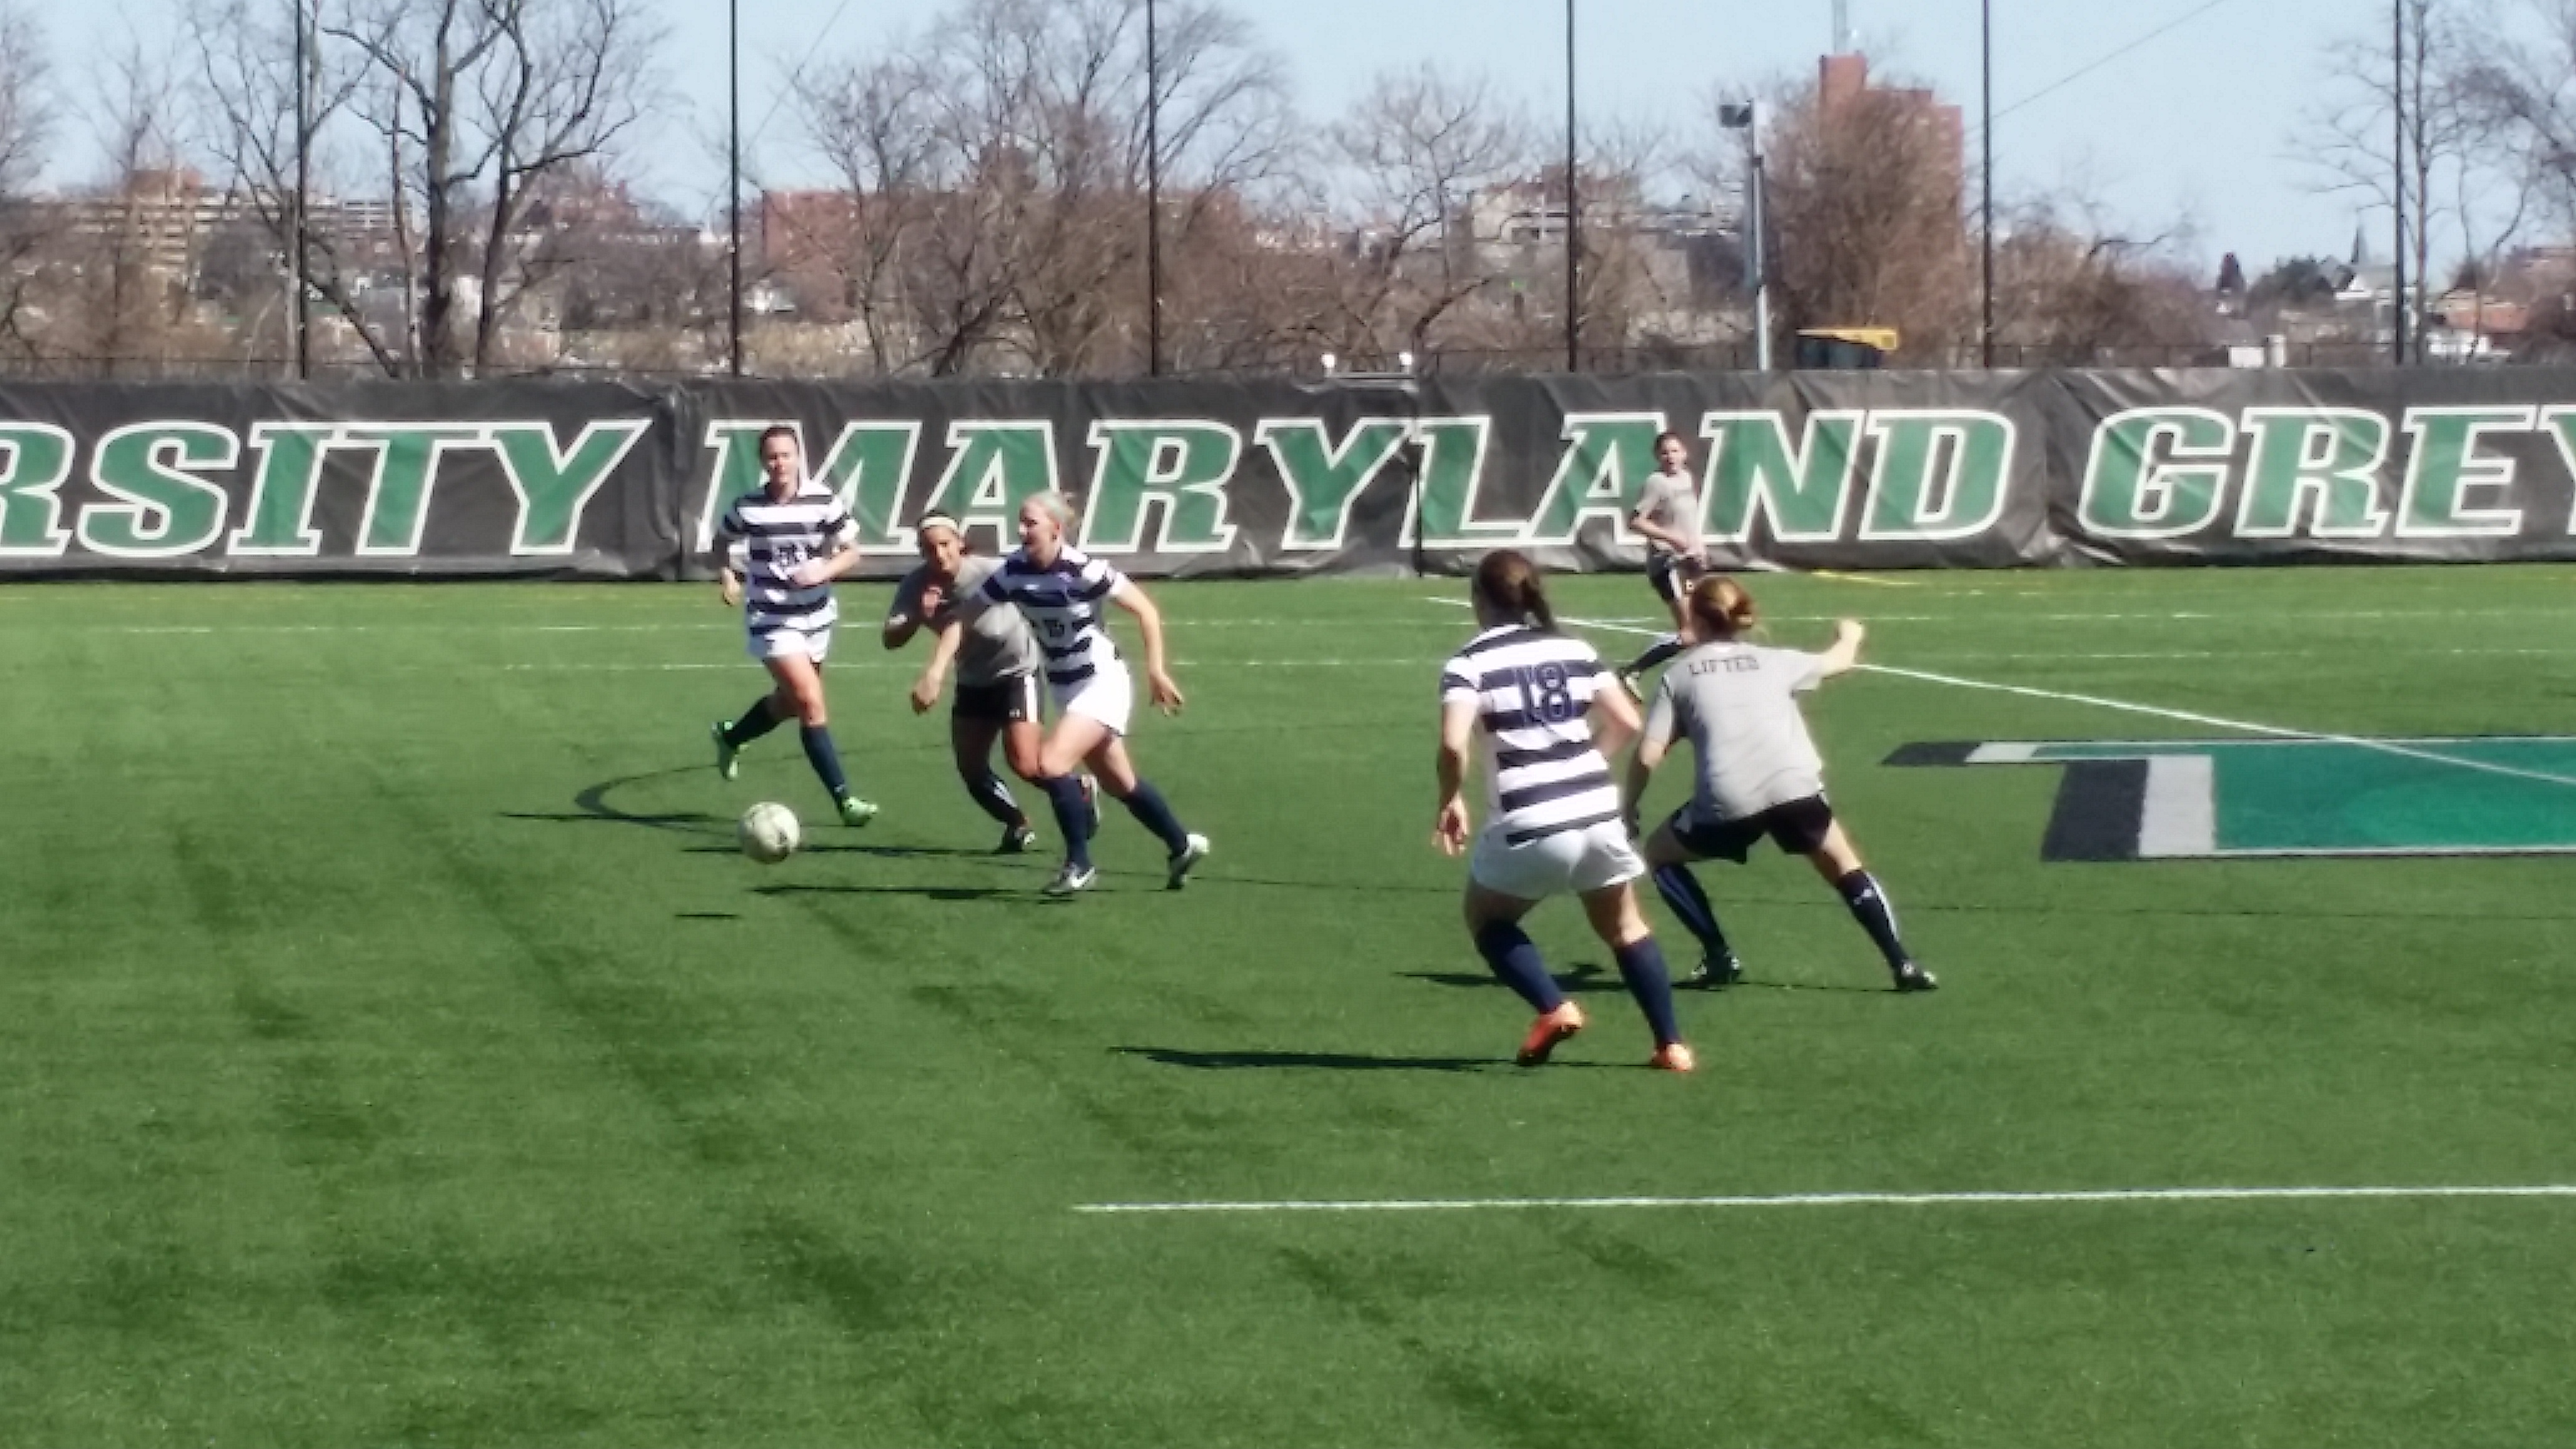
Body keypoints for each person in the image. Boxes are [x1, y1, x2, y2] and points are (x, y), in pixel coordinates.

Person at [1434, 549, 1694, 1073]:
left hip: (1530, 819)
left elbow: (1453, 745)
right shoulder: (1573, 648)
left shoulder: (1469, 663)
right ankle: (1671, 1046)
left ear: (1479, 599)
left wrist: (1449, 799)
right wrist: (1582, 764)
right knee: (1625, 926)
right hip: (1597, 810)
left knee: (1487, 919)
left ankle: (1554, 1008)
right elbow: (1626, 721)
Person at [1622, 575, 1938, 994]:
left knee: (1660, 855)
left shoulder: (1679, 676)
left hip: (1729, 799)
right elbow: (1839, 661)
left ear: (1695, 619)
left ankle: (1719, 955)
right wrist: (1850, 634)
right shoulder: (1774, 660)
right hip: (1794, 788)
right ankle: (1902, 963)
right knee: (1845, 867)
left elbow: (1648, 754)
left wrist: (1629, 807)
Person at [932, 492, 1209, 897]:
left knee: (1051, 763)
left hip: (1102, 681)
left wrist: (1156, 670)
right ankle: (1181, 846)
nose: (1022, 530)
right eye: (1021, 522)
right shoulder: (1013, 571)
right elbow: (964, 617)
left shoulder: (1084, 570)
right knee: (1121, 783)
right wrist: (936, 670)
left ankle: (1079, 864)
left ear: (1056, 529)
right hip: (1066, 686)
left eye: (1031, 523)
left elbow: (1146, 610)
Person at [706, 424, 879, 826]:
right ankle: (845, 801)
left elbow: (852, 551)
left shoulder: (823, 501)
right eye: (772, 456)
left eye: (786, 455)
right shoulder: (748, 506)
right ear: (762, 461)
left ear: (798, 457)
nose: (779, 463)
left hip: (816, 616)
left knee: (789, 702)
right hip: (770, 617)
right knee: (811, 703)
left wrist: (825, 571)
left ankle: (732, 736)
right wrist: (728, 576)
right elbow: (720, 543)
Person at [879, 512, 1061, 853]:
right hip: (973, 679)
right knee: (972, 769)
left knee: (1025, 763)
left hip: (1017, 671)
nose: (940, 555)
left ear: (960, 543)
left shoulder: (988, 571)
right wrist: (917, 615)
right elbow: (890, 638)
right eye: (930, 549)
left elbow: (1037, 582)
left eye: (945, 545)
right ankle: (1017, 823)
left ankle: (1077, 790)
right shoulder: (917, 585)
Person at [1615, 430, 1707, 697]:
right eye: (1665, 452)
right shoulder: (1656, 483)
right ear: (1657, 455)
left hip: (1688, 562)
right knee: (1691, 633)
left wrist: (1698, 547)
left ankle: (1695, 680)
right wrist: (1671, 538)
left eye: (1675, 451)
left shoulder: (1686, 478)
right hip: (1667, 563)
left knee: (1698, 629)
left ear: (1685, 453)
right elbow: (1635, 521)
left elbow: (1689, 520)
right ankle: (1633, 670)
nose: (1670, 457)